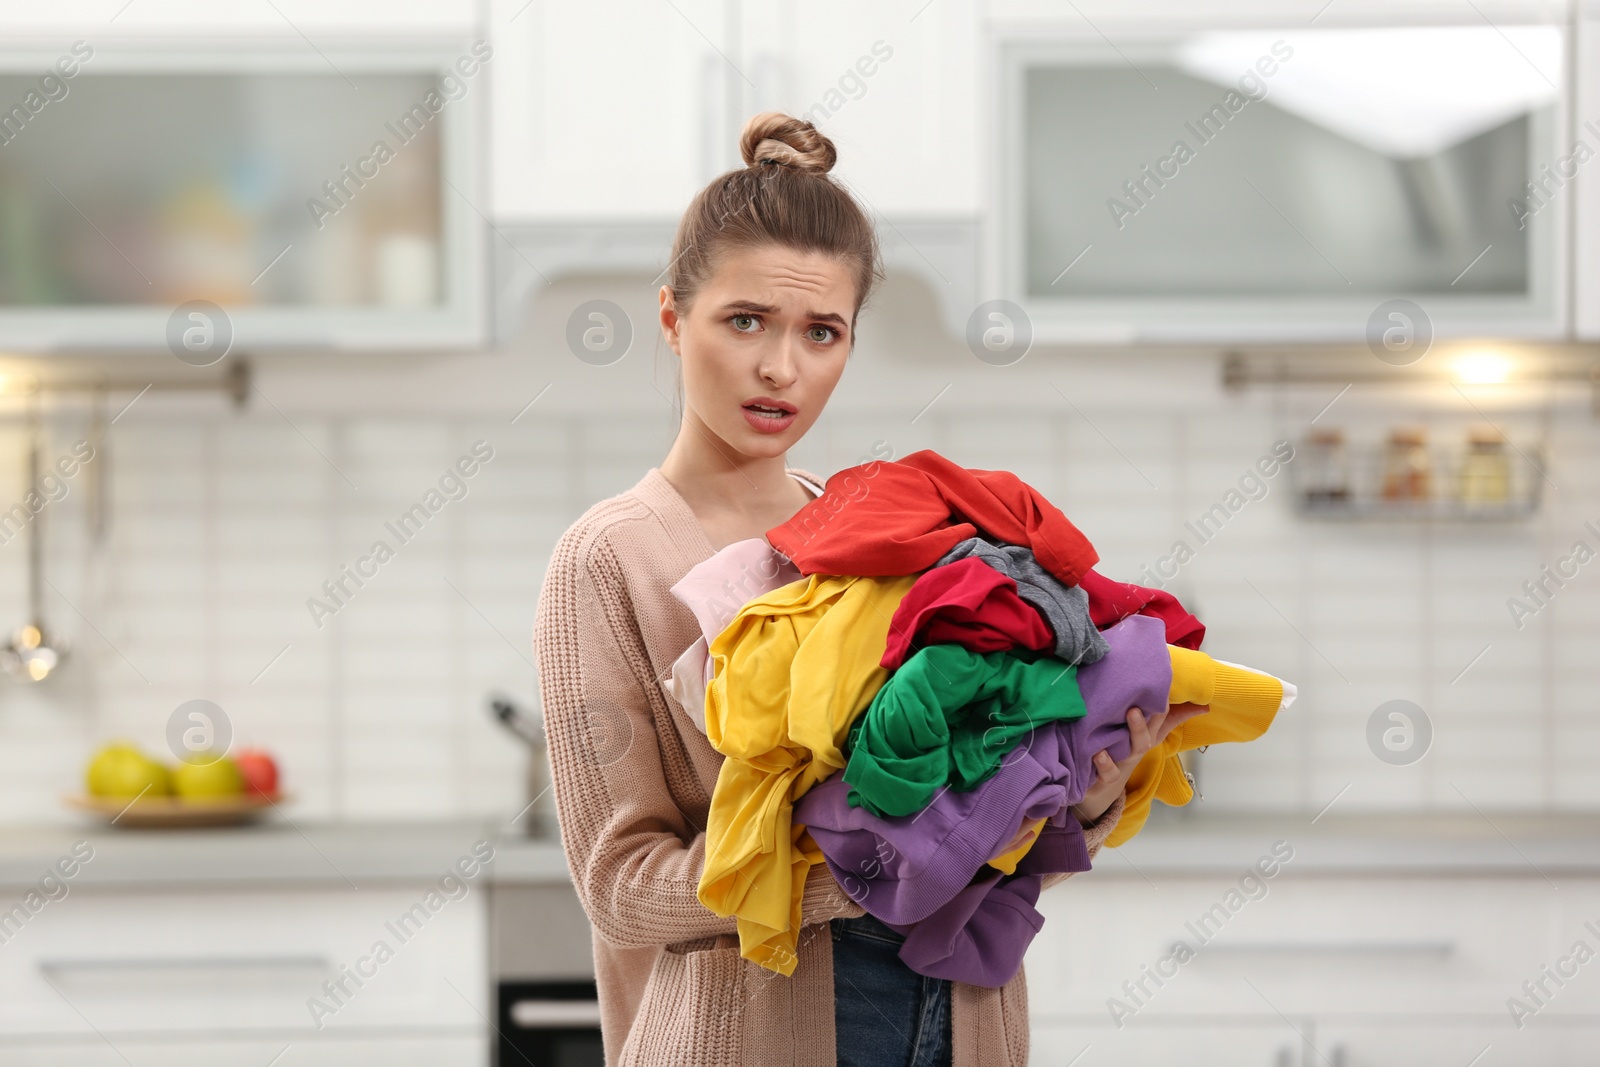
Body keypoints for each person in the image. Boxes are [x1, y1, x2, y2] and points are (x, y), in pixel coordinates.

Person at [532, 111, 1203, 1067]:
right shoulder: (608, 558)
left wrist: (1070, 805)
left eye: (822, 331)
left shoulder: (890, 526)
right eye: (745, 321)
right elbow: (622, 886)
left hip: (965, 1024)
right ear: (675, 321)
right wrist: (867, 869)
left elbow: (978, 819)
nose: (781, 367)